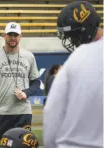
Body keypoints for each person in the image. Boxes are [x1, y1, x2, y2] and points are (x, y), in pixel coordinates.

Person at [43, 1, 103, 148]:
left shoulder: (77, 58)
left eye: (73, 35)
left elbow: (52, 115)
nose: (71, 40)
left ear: (85, 29)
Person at [0, 22, 41, 148]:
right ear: (4, 35)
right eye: (10, 34)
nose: (13, 38)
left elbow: (36, 82)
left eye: (16, 35)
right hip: (0, 112)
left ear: (20, 36)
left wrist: (25, 93)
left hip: (23, 113)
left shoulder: (29, 56)